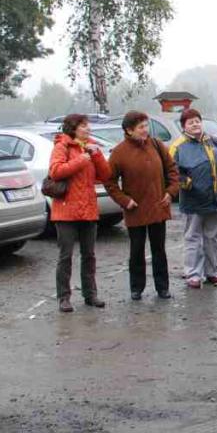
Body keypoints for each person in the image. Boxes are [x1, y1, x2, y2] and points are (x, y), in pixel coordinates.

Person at [106, 111, 181, 301]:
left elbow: (172, 170)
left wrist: (170, 192)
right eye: (141, 127)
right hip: (135, 209)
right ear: (129, 130)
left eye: (146, 126)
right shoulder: (119, 152)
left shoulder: (156, 145)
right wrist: (125, 201)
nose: (145, 130)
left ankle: (162, 287)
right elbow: (109, 182)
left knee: (159, 250)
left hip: (158, 206)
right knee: (137, 250)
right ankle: (136, 288)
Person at [48, 113, 112, 312]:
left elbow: (106, 175)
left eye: (88, 125)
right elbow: (55, 171)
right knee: (65, 256)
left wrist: (96, 155)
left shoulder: (91, 146)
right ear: (73, 128)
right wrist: (82, 160)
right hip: (66, 211)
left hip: (88, 209)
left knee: (89, 255)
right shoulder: (62, 147)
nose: (88, 128)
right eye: (83, 126)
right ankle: (64, 297)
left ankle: (90, 294)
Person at [170, 107, 217, 289]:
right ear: (184, 126)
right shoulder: (178, 146)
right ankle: (193, 274)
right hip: (193, 201)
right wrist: (186, 183)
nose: (195, 124)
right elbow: (171, 173)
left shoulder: (214, 142)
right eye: (191, 122)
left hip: (216, 199)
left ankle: (212, 272)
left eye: (197, 121)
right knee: (193, 237)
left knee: (212, 237)